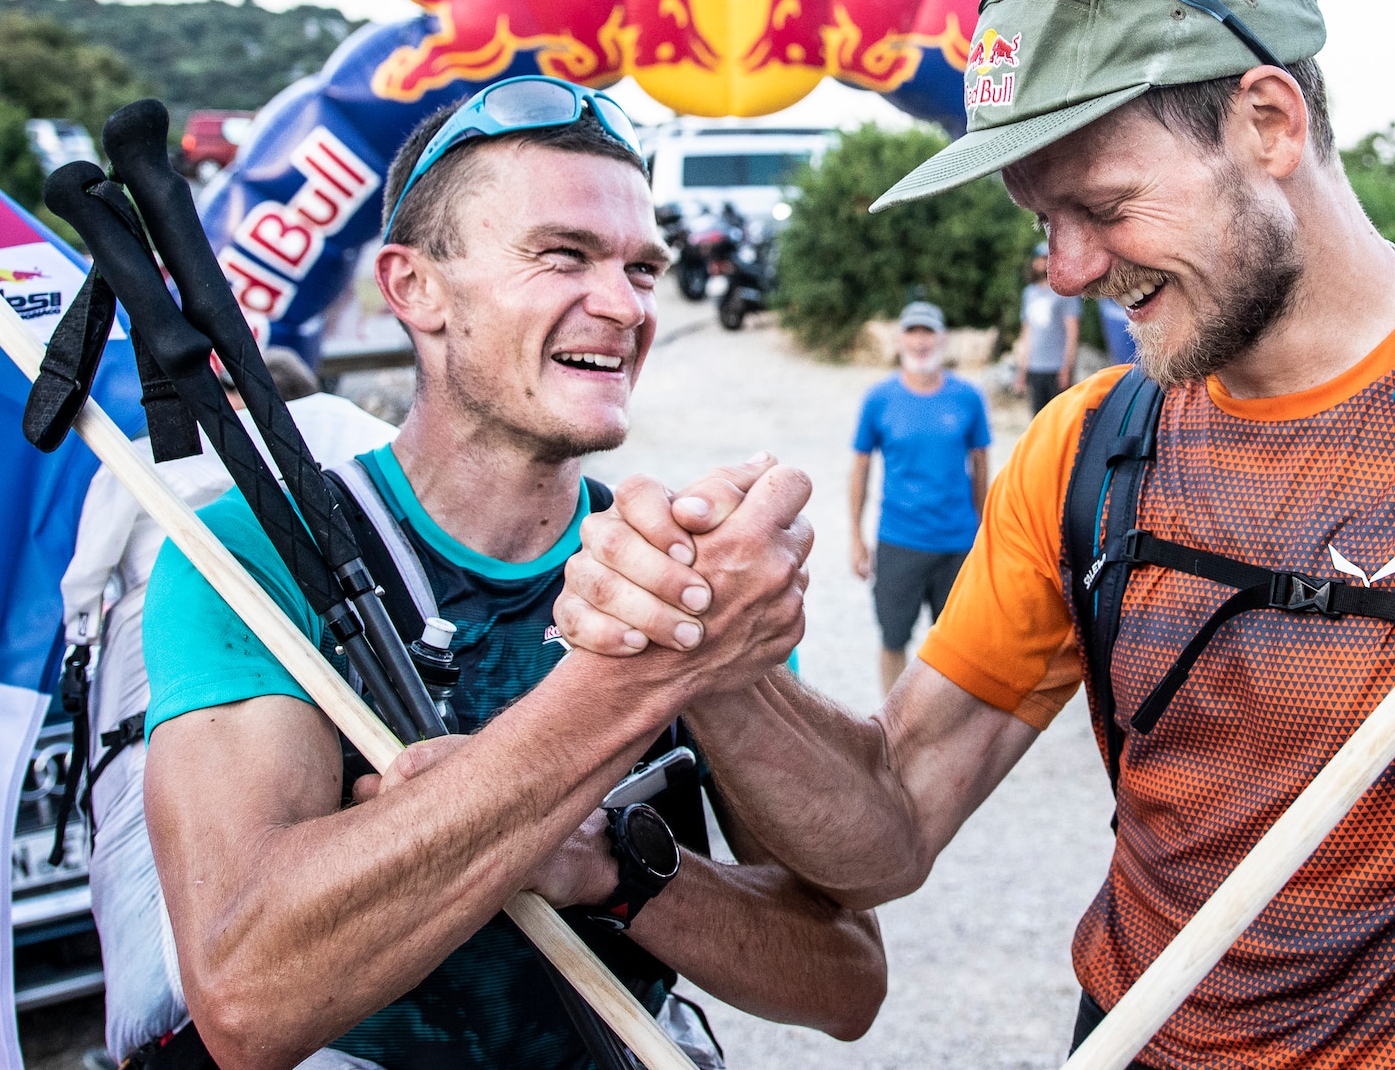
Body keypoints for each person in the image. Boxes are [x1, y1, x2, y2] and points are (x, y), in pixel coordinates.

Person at [554, 0, 1395, 1070]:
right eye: (1042, 221)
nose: (1069, 270)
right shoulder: (1086, 447)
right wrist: (712, 658)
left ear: (1266, 122)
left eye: (1101, 207)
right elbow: (887, 827)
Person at [139, 78, 884, 1070]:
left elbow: (843, 982)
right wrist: (640, 680)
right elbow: (246, 1001)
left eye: (641, 267)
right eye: (562, 255)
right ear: (415, 289)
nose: (622, 307)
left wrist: (609, 869)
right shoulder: (255, 555)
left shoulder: (669, 566)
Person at [60, 348, 397, 1061]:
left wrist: (81, 643)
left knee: (169, 871)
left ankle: (166, 1029)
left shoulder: (145, 456)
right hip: (336, 632)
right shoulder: (343, 424)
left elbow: (85, 581)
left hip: (157, 652)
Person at [849, 301, 992, 692]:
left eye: (928, 332)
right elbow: (860, 469)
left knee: (956, 648)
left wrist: (986, 532)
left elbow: (981, 467)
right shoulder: (879, 399)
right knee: (893, 639)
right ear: (899, 341)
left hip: (958, 542)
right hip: (899, 541)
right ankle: (892, 727)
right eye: (912, 331)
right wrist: (856, 538)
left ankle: (942, 728)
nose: (920, 340)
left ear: (942, 339)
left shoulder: (968, 398)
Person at [1015, 241, 1082, 412]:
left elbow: (1072, 332)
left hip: (1056, 367)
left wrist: (1067, 367)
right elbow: (1026, 333)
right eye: (1038, 258)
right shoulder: (1029, 293)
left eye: (1046, 258)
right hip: (1035, 366)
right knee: (1038, 420)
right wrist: (1022, 370)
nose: (1041, 262)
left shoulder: (1064, 292)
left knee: (1059, 417)